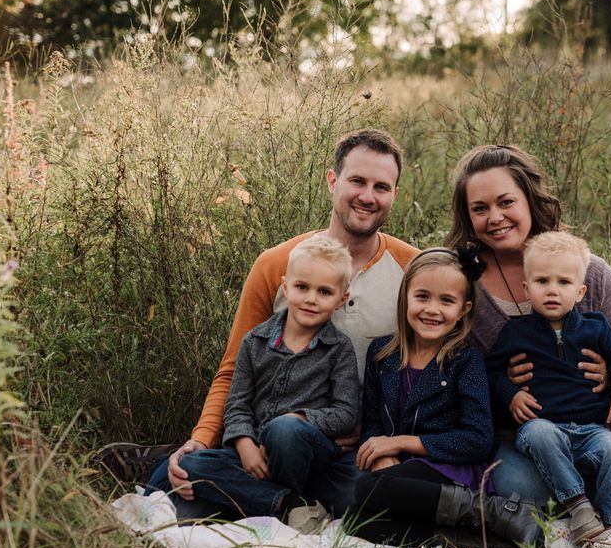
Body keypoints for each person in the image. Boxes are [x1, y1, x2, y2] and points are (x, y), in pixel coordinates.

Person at [101, 128, 419, 520]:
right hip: (266, 442)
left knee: (383, 505)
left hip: (349, 449)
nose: (368, 196)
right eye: (357, 181)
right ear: (333, 181)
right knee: (179, 488)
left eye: (381, 187)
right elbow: (234, 369)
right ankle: (261, 492)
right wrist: (201, 438)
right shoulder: (277, 264)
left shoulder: (412, 270)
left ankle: (257, 496)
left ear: (395, 195)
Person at [445, 144, 611, 515]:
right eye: (480, 209)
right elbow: (459, 372)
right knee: (521, 492)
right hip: (525, 433)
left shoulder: (588, 271)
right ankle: (593, 487)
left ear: (529, 199)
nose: (495, 217)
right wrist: (504, 386)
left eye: (506, 202)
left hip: (602, 419)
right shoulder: (463, 284)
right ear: (467, 215)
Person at [347, 248, 542, 548]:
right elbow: (372, 421)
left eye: (446, 301)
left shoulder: (465, 361)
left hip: (452, 472)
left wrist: (398, 443)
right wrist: (380, 455)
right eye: (422, 296)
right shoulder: (381, 354)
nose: (432, 310)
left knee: (364, 491)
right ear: (405, 297)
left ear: (464, 309)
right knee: (356, 521)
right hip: (403, 471)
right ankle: (492, 543)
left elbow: (478, 439)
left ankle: (495, 513)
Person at [176, 237, 360, 518]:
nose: (311, 299)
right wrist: (244, 444)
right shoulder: (255, 341)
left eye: (324, 292)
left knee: (284, 430)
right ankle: (288, 505)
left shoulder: (339, 349)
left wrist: (300, 419)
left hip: (309, 455)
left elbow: (346, 413)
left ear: (341, 300)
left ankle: (257, 499)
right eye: (302, 287)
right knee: (192, 465)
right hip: (256, 457)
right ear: (285, 287)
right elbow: (236, 403)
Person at [488, 231, 611, 544]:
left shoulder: (596, 326)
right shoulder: (515, 333)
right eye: (542, 281)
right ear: (526, 288)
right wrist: (511, 393)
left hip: (592, 428)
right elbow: (490, 374)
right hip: (542, 426)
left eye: (563, 282)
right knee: (539, 432)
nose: (552, 291)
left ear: (581, 291)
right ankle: (579, 507)